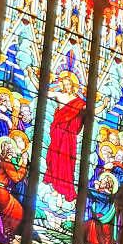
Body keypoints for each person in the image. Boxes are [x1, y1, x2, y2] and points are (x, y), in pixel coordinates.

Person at [43, 70, 86, 201]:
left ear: (72, 85)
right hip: (58, 132)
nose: (67, 86)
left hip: (69, 136)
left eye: (69, 84)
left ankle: (63, 187)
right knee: (54, 155)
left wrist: (104, 103)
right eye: (64, 84)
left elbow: (89, 112)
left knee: (67, 160)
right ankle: (55, 185)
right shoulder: (59, 95)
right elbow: (43, 92)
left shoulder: (79, 102)